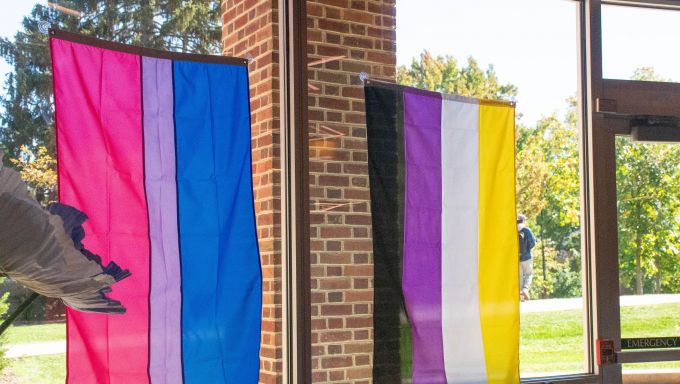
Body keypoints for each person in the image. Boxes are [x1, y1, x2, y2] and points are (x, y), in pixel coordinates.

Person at [517, 214, 536, 302]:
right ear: (523, 221)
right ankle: (525, 289)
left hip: (516, 259)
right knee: (529, 274)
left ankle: (520, 297)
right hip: (527, 257)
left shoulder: (512, 230)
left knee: (519, 277)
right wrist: (527, 249)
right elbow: (532, 243)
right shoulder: (526, 230)